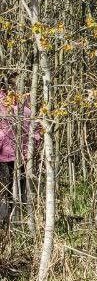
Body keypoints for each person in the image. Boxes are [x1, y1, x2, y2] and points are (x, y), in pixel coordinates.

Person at [0, 88, 40, 227]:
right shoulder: (26, 107)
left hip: (7, 156)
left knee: (7, 189)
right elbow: (36, 133)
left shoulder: (11, 108)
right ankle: (14, 220)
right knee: (15, 189)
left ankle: (8, 222)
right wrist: (31, 151)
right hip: (21, 156)